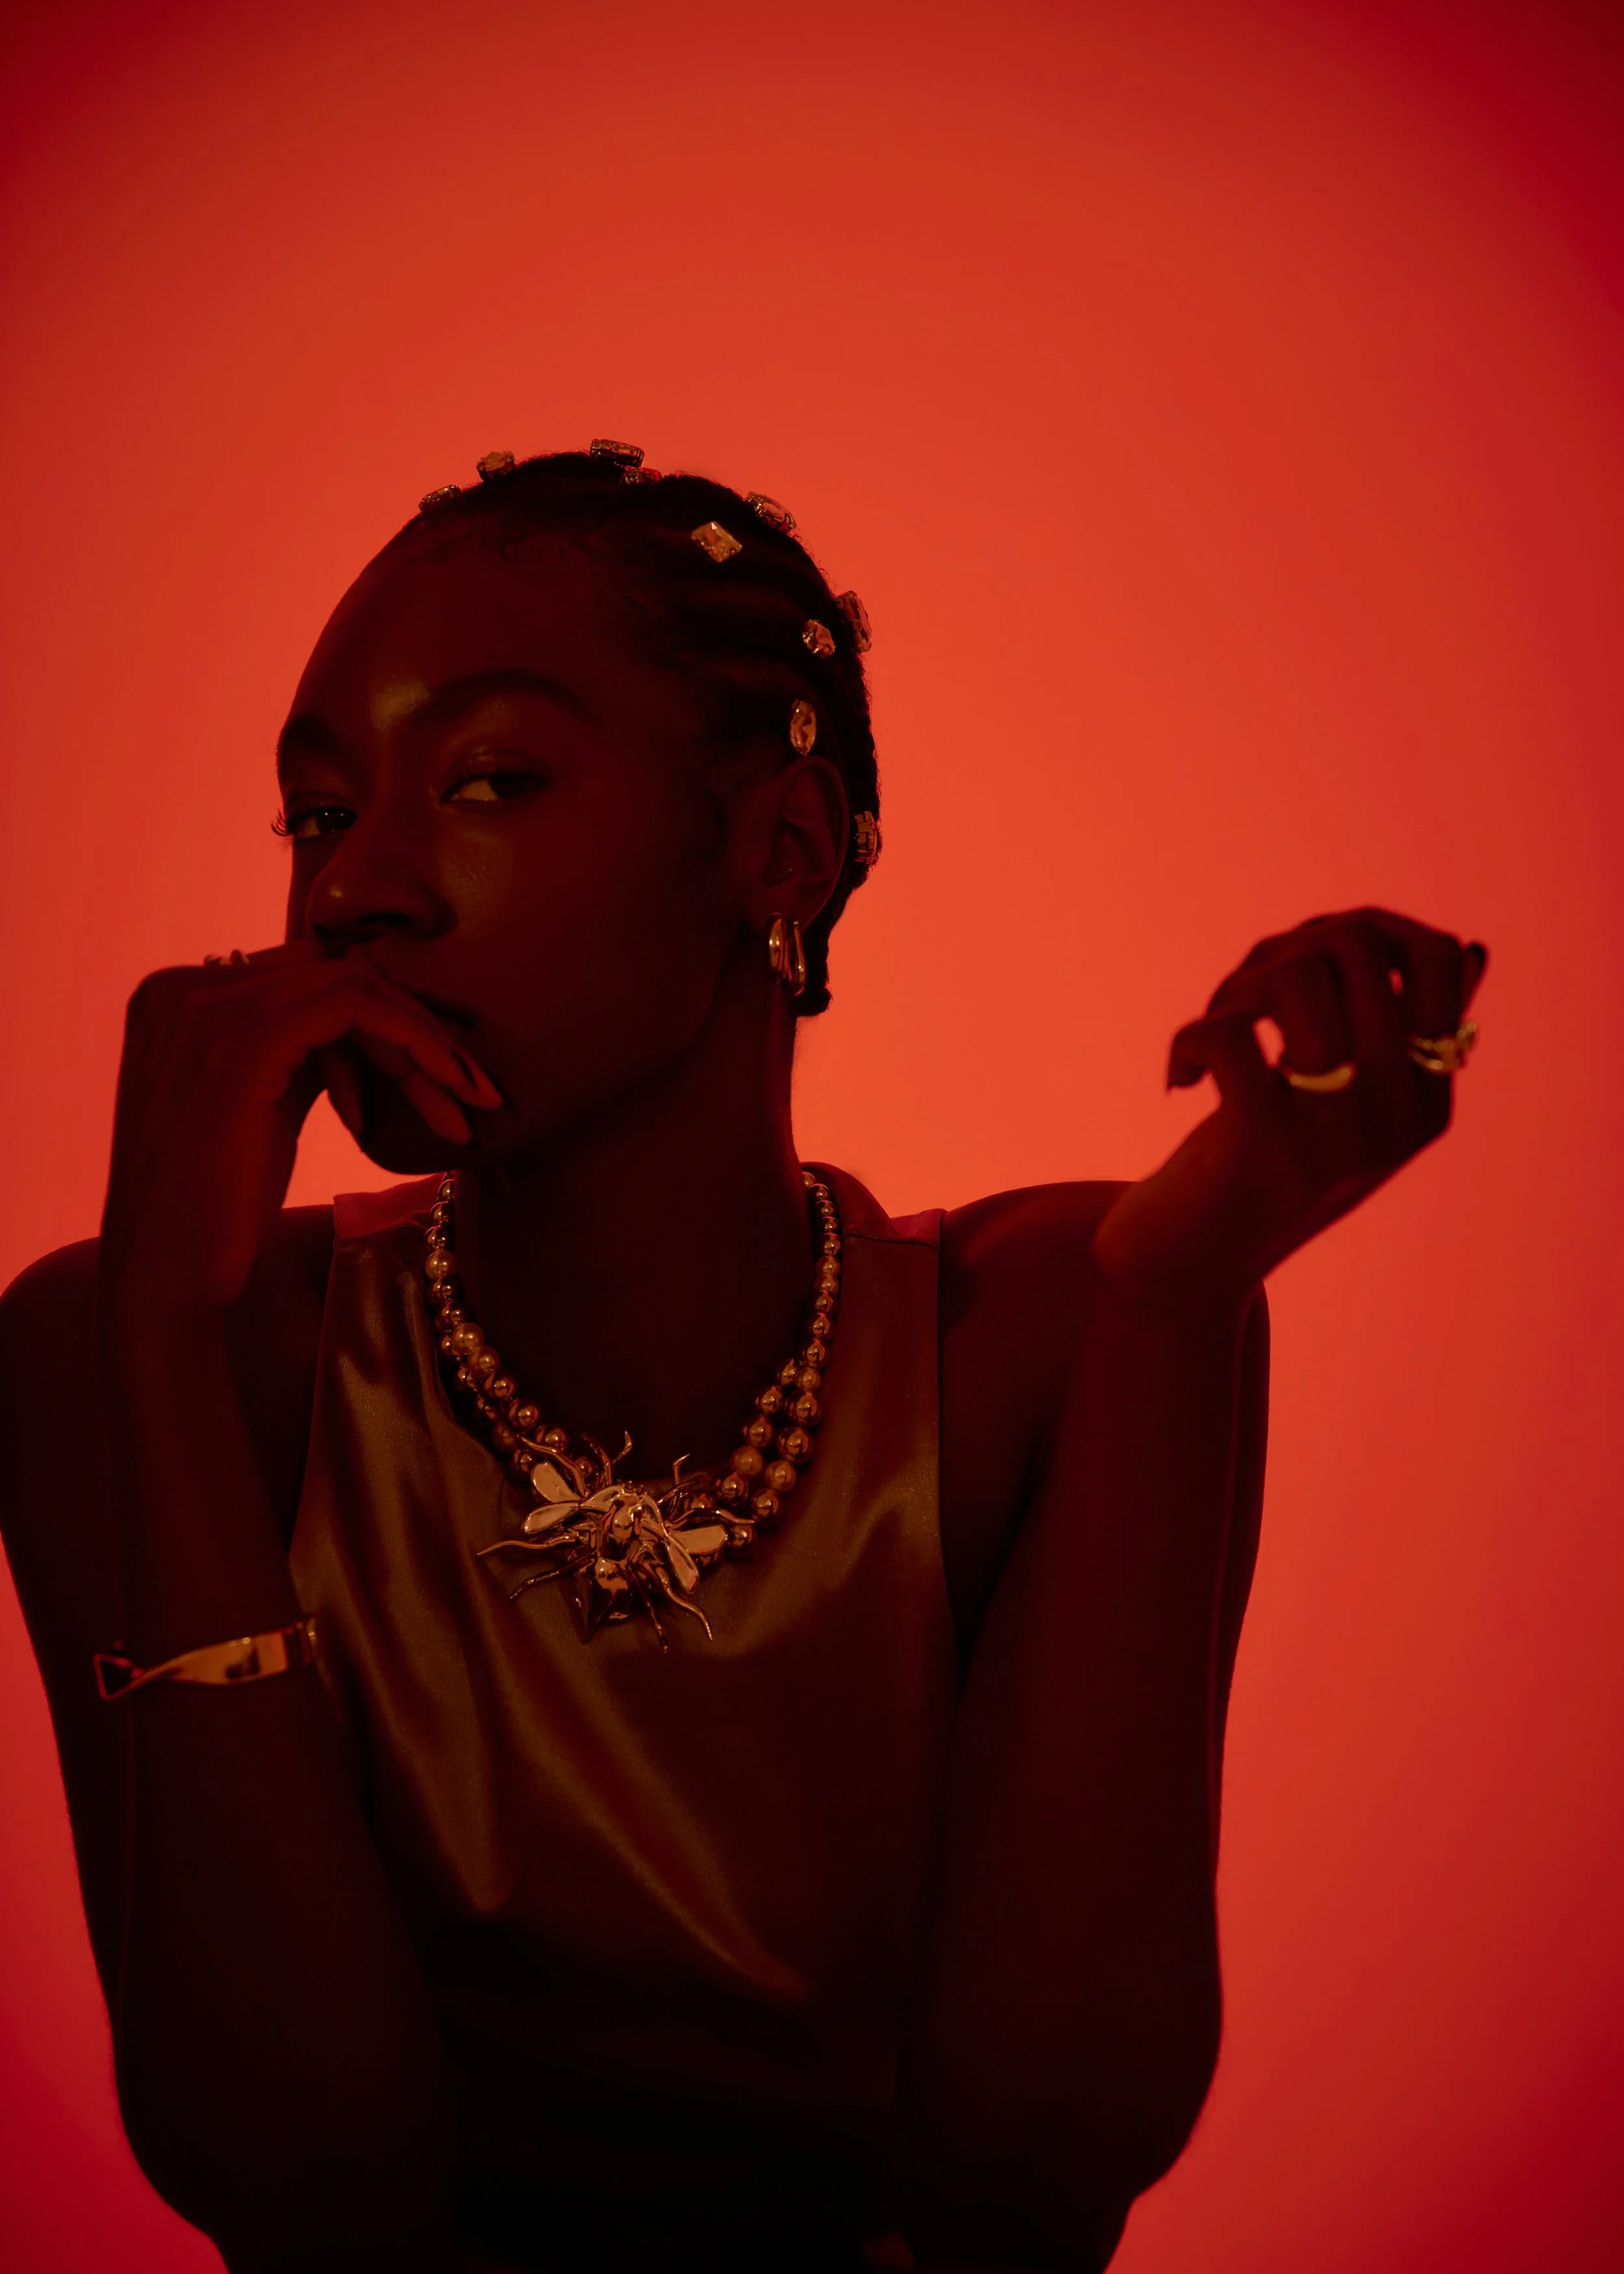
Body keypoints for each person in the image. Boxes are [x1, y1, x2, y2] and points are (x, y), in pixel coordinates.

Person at [0, 442, 1485, 2274]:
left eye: (489, 779)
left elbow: (1025, 2175)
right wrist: (159, 1340)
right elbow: (305, 2182)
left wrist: (1170, 1310)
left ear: (778, 849)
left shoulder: (1043, 1329)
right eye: (317, 813)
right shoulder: (129, 1344)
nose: (355, 890)